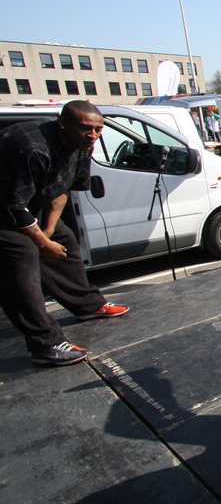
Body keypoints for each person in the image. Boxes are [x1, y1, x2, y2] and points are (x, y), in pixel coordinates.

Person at [0, 101, 129, 366]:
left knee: (64, 239)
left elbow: (62, 189)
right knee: (21, 261)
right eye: (85, 128)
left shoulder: (83, 146)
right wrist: (41, 242)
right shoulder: (31, 147)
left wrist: (48, 231)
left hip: (27, 205)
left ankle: (87, 305)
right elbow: (12, 206)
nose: (92, 135)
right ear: (62, 123)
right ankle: (46, 344)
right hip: (5, 208)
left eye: (98, 129)